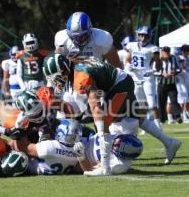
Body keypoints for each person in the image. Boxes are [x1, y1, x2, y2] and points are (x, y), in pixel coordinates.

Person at [44, 54, 181, 175]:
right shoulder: (77, 69)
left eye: (56, 78)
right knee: (136, 117)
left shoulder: (80, 77)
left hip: (119, 85)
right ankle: (169, 142)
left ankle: (106, 166)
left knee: (109, 124)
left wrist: (101, 129)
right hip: (122, 80)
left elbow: (95, 105)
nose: (56, 83)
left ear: (64, 70)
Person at [74, 118, 143, 176]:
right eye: (120, 140)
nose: (116, 142)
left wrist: (81, 157)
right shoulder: (123, 129)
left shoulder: (120, 165)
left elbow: (89, 170)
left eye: (118, 145)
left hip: (77, 156)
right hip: (86, 136)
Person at [125, 26, 162, 130]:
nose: (143, 38)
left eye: (145, 36)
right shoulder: (132, 46)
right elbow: (128, 60)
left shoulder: (153, 48)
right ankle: (145, 126)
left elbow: (158, 63)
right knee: (141, 104)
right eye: (141, 35)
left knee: (151, 103)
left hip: (147, 78)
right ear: (138, 35)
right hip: (136, 78)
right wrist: (128, 66)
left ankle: (158, 125)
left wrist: (154, 70)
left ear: (149, 36)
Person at [54, 12, 122, 69]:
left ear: (90, 29)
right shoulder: (62, 39)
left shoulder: (102, 38)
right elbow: (56, 64)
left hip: (97, 76)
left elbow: (116, 69)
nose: (78, 40)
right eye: (75, 37)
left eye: (82, 36)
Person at [154, 47, 181, 124]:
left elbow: (179, 69)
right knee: (161, 102)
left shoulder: (174, 58)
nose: (167, 53)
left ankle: (177, 116)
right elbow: (154, 71)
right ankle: (162, 119)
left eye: (168, 52)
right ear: (162, 52)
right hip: (161, 84)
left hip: (171, 84)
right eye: (165, 52)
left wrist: (175, 72)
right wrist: (162, 74)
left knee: (174, 100)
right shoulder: (158, 59)